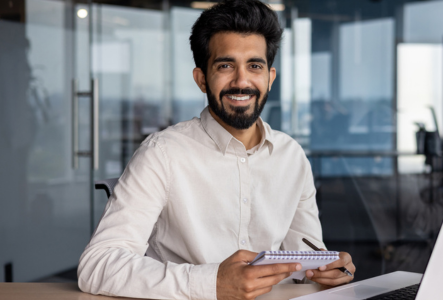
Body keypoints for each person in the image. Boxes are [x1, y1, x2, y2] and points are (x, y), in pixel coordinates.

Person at [77, 1, 355, 299]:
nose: (241, 81)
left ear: (270, 78)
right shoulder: (162, 153)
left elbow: (303, 258)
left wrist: (327, 269)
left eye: (255, 66)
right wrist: (213, 283)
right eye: (225, 66)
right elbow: (98, 265)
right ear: (201, 79)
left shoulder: (292, 156)